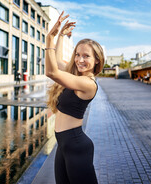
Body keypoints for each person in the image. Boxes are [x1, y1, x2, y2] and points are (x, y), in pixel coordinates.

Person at [46, 11, 104, 184]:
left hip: (76, 147)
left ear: (96, 61)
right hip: (63, 145)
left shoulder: (87, 84)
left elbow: (51, 72)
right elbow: (56, 63)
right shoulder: (76, 77)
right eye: (77, 54)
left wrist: (50, 38)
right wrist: (61, 36)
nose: (80, 59)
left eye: (86, 56)